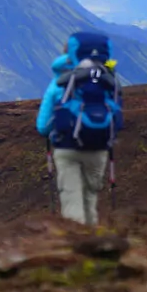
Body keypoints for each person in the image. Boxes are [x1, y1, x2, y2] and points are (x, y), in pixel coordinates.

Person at [36, 32, 123, 226]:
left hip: (67, 148)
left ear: (69, 55)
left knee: (72, 198)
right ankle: (93, 243)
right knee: (90, 199)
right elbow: (117, 116)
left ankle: (76, 244)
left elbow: (42, 127)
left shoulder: (62, 81)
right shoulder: (108, 80)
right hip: (99, 148)